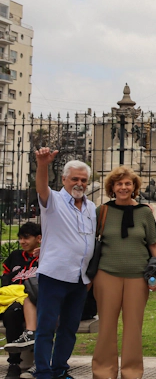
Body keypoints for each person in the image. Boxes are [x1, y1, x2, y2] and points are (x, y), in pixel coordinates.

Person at [91, 167, 156, 379]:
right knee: (106, 327)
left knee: (133, 329)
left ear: (134, 187)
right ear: (112, 187)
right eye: (119, 183)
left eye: (128, 183)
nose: (123, 187)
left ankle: (132, 373)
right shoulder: (101, 211)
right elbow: (87, 242)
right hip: (106, 275)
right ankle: (104, 372)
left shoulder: (145, 212)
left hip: (137, 278)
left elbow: (154, 245)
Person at [34, 149, 96, 379]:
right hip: (54, 275)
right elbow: (41, 186)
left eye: (83, 180)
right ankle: (43, 371)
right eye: (74, 179)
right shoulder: (53, 201)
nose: (79, 183)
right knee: (46, 327)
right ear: (64, 180)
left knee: (69, 329)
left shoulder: (91, 208)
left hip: (79, 279)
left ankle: (60, 369)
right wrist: (42, 164)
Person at [2, 222, 42, 378]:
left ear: (38, 238)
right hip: (12, 299)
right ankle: (14, 364)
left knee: (14, 312)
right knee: (12, 312)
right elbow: (5, 280)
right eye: (20, 238)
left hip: (34, 301)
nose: (22, 242)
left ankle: (29, 363)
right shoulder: (15, 256)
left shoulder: (45, 256)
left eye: (26, 238)